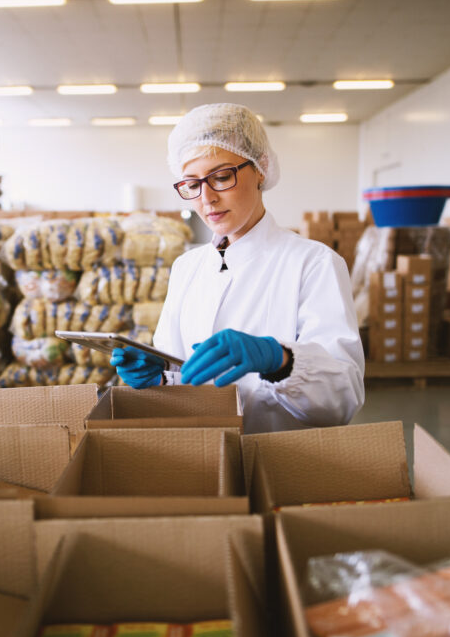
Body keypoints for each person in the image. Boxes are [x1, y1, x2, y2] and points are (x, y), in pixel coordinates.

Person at [111, 103, 364, 434]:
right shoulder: (187, 267)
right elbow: (181, 373)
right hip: (201, 459)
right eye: (192, 184)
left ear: (260, 168)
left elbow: (343, 398)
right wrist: (158, 378)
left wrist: (281, 361)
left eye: (221, 177)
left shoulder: (313, 263)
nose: (207, 198)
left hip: (280, 465)